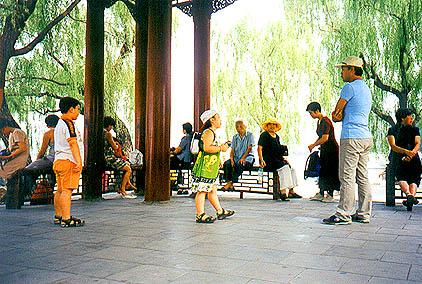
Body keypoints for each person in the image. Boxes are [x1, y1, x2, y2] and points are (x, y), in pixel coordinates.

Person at [323, 56, 373, 225]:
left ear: (352, 69)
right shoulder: (366, 89)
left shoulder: (349, 87)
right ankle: (364, 213)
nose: (342, 73)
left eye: (343, 69)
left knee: (347, 176)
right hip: (365, 137)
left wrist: (337, 116)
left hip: (351, 136)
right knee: (363, 176)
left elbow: (336, 114)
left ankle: (344, 214)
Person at [191, 109, 234, 223]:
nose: (220, 120)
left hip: (210, 167)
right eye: (218, 118)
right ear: (212, 120)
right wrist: (221, 148)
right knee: (202, 190)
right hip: (206, 168)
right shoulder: (208, 132)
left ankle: (220, 211)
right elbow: (207, 148)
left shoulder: (211, 132)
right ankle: (200, 215)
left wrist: (218, 157)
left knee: (212, 190)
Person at [53, 97, 85, 227]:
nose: (78, 112)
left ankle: (59, 216)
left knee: (60, 190)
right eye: (77, 109)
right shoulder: (69, 123)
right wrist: (79, 162)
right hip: (68, 161)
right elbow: (73, 143)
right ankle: (66, 219)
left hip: (59, 161)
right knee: (67, 190)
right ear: (71, 109)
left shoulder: (59, 124)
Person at [257, 118, 301, 201]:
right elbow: (259, 148)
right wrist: (261, 160)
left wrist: (284, 159)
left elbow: (277, 151)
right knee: (284, 168)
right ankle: (283, 192)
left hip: (276, 159)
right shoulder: (264, 135)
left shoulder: (277, 137)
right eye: (270, 124)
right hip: (267, 160)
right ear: (267, 126)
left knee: (291, 169)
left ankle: (291, 191)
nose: (272, 126)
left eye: (274, 125)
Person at [387, 108, 421, 211]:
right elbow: (393, 146)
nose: (411, 118)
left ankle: (408, 195)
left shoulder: (392, 130)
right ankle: (411, 197)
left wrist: (409, 154)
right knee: (414, 178)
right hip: (406, 157)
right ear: (402, 118)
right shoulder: (414, 129)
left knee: (401, 176)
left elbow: (393, 147)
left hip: (400, 157)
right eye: (409, 116)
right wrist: (410, 153)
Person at [307, 102, 340, 203]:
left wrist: (313, 145)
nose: (311, 115)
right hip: (325, 150)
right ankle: (321, 192)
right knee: (323, 170)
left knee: (330, 171)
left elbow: (325, 138)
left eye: (311, 112)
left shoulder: (326, 121)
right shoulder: (320, 121)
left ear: (317, 111)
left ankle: (330, 194)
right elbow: (320, 136)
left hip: (332, 150)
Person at [23, 115, 60, 191]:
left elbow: (42, 151)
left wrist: (37, 161)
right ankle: (50, 189)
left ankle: (30, 191)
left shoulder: (49, 133)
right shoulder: (63, 132)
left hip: (51, 159)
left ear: (48, 125)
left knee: (27, 170)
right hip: (61, 159)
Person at [104, 116, 136, 198]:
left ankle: (128, 184)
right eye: (111, 126)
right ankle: (122, 188)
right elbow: (114, 147)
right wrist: (117, 146)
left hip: (104, 157)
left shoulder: (99, 133)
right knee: (128, 169)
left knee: (127, 164)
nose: (111, 128)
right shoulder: (107, 134)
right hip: (108, 158)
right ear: (109, 125)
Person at [0, 121, 30, 202]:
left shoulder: (17, 132)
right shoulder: (12, 134)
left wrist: (9, 156)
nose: (2, 133)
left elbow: (22, 148)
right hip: (14, 159)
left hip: (19, 160)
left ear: (5, 127)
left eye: (2, 131)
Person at [221, 119, 255, 191]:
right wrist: (232, 159)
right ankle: (230, 184)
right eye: (237, 127)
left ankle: (230, 182)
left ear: (245, 126)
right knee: (227, 164)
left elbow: (249, 149)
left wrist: (243, 158)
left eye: (241, 126)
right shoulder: (235, 137)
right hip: (237, 157)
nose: (239, 129)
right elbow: (232, 150)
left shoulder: (250, 135)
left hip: (247, 158)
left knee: (240, 164)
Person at [170, 122, 193, 194]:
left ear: (185, 130)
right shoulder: (192, 137)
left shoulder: (186, 138)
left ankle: (172, 183)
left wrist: (172, 151)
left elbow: (178, 150)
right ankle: (177, 182)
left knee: (168, 163)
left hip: (182, 160)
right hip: (188, 160)